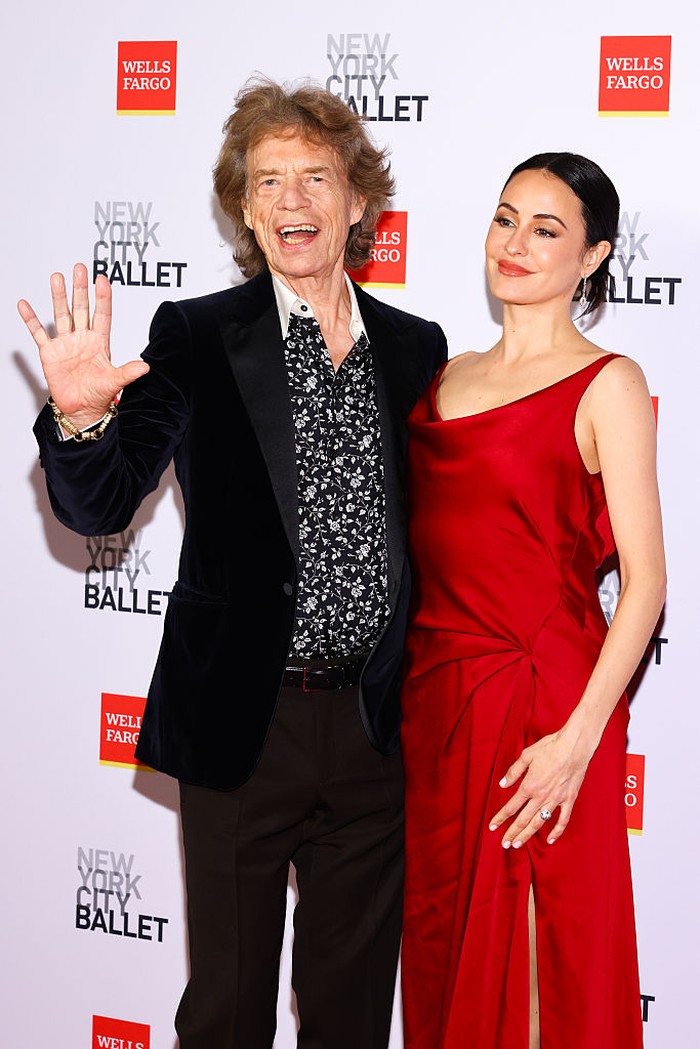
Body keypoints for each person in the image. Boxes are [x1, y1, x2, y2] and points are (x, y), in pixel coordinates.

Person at [18, 80, 447, 1049]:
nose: (293, 201)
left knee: (350, 1012)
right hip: (239, 726)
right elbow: (100, 501)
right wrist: (82, 418)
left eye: (315, 178)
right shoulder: (199, 335)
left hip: (375, 729)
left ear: (357, 202)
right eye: (268, 182)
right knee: (228, 1007)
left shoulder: (418, 350)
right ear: (245, 209)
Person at [400, 153, 665, 1049]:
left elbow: (647, 582)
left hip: (547, 707)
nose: (515, 244)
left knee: (544, 946)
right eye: (505, 218)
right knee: (445, 945)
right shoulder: (440, 377)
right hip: (437, 703)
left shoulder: (609, 382)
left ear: (592, 257)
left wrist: (579, 739)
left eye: (547, 229)